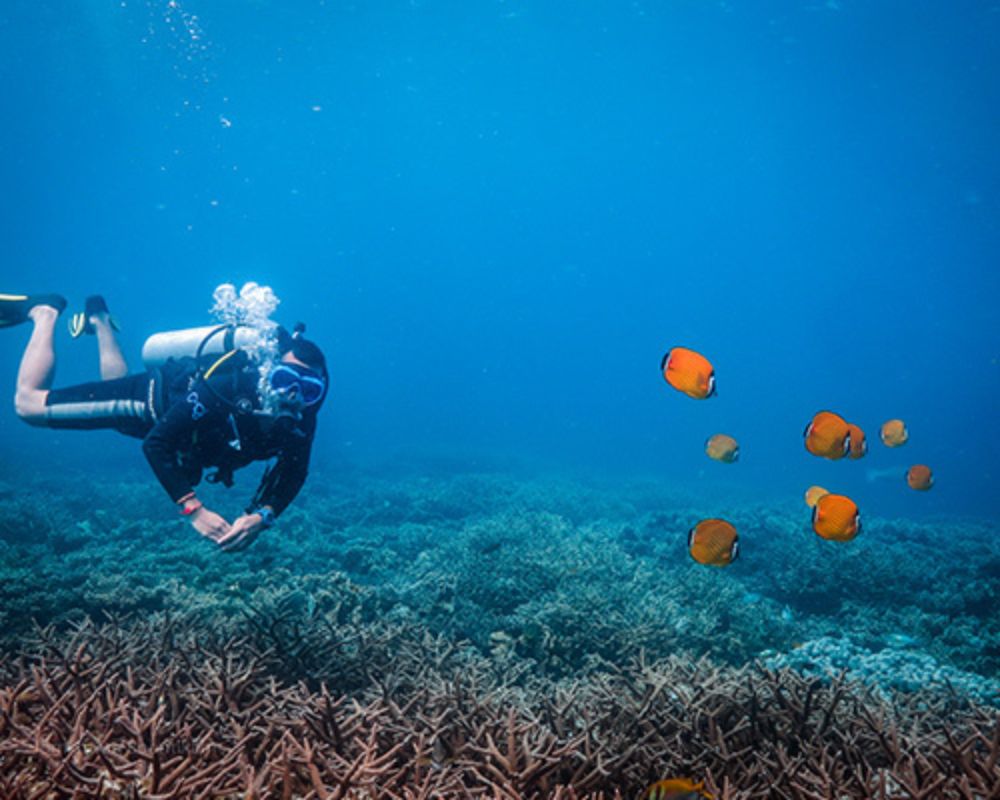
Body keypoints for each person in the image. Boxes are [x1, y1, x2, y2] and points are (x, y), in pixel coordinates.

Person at [1, 292, 327, 552]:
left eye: (310, 389)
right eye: (284, 380)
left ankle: (99, 321)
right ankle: (44, 312)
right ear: (268, 373)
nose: (293, 396)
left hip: (182, 433)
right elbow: (156, 443)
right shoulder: (231, 386)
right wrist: (194, 510)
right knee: (28, 406)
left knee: (115, 402)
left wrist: (262, 516)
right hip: (148, 405)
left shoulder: (302, 420)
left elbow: (294, 472)